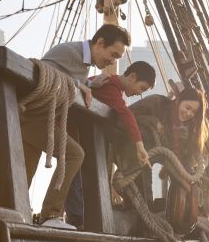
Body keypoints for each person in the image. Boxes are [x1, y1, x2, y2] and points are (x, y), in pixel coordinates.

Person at [20, 24, 131, 228]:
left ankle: (16, 214)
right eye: (113, 54)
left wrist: (88, 85)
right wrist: (79, 85)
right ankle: (49, 215)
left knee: (26, 171)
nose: (112, 61)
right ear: (100, 43)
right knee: (75, 154)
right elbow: (45, 73)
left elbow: (69, 80)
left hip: (39, 119)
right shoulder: (71, 52)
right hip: (33, 117)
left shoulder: (83, 61)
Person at [64, 61, 157, 227]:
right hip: (73, 134)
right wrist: (139, 145)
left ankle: (78, 217)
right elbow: (125, 113)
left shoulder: (108, 84)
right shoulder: (109, 86)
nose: (139, 93)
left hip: (79, 137)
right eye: (141, 88)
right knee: (75, 175)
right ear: (132, 77)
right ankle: (77, 218)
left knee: (78, 174)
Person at [114, 87, 209, 233]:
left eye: (193, 112)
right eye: (187, 107)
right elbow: (127, 115)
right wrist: (153, 121)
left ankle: (184, 219)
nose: (188, 113)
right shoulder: (157, 103)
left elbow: (188, 159)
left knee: (185, 177)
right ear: (178, 101)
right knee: (144, 171)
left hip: (158, 159)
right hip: (134, 153)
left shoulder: (190, 128)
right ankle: (144, 217)